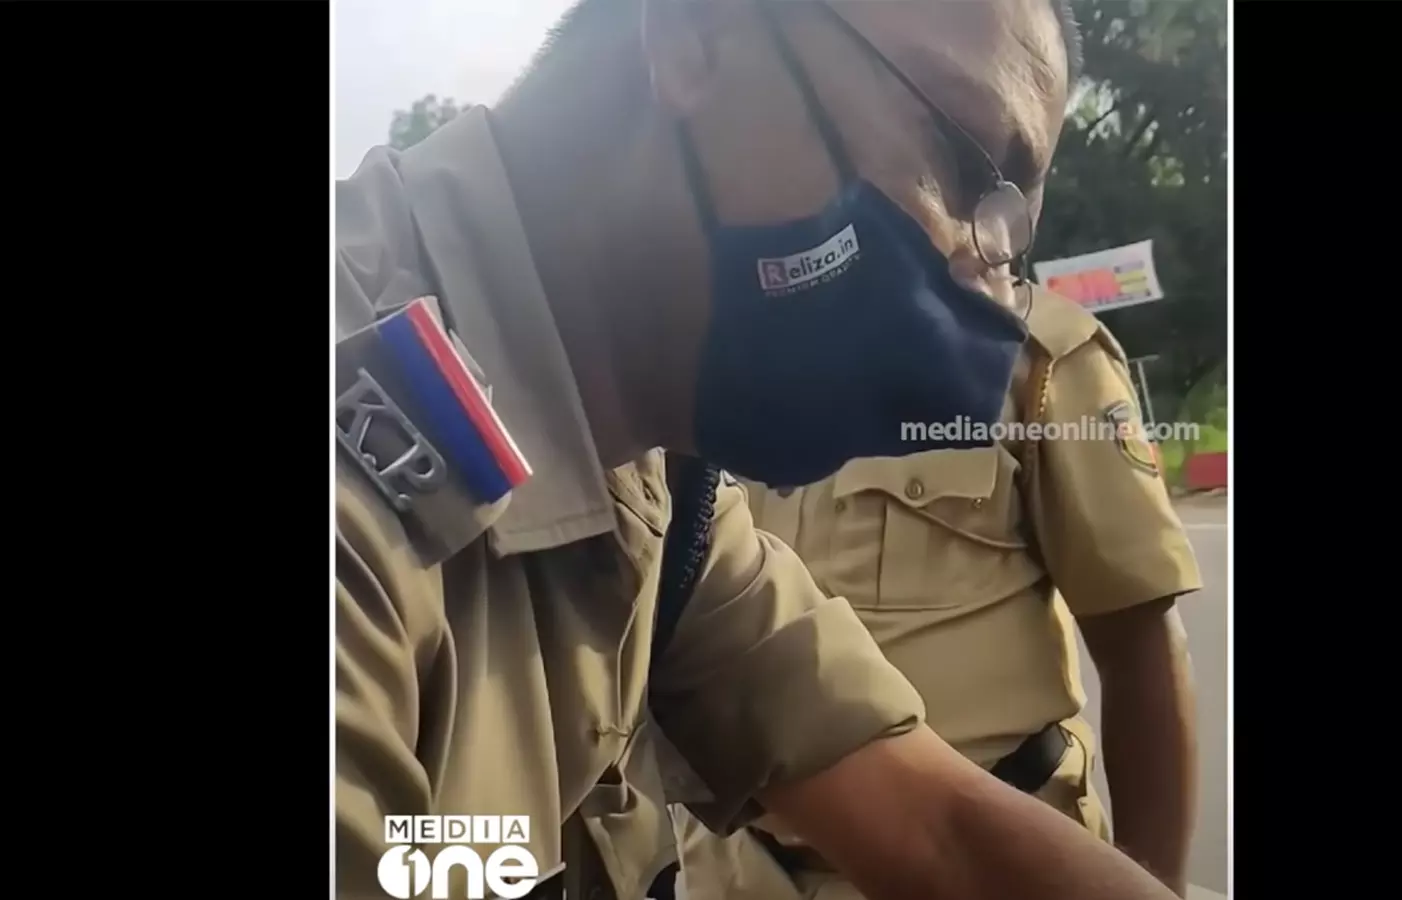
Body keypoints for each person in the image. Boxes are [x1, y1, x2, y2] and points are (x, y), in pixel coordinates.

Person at [334, 1, 1180, 899]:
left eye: (1007, 228)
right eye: (958, 164)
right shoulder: (363, 492)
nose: (988, 283)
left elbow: (934, 825)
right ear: (697, 36)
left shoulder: (656, 482)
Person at [671, 281, 1205, 900]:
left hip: (979, 866)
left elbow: (1139, 644)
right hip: (737, 871)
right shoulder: (723, 346)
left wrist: (1155, 881)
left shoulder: (1035, 354)